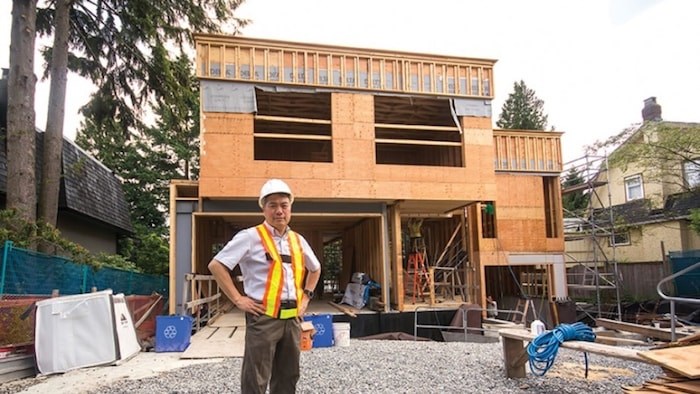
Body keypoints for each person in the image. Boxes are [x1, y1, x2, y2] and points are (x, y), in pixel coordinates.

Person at [208, 179, 322, 394]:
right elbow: (217, 265)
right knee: (256, 376)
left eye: (284, 205)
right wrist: (237, 299)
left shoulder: (298, 240)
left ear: (290, 208)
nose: (279, 211)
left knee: (288, 375)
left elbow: (315, 269)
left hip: (292, 318)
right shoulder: (250, 237)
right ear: (263, 208)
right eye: (273, 205)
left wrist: (306, 296)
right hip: (264, 318)